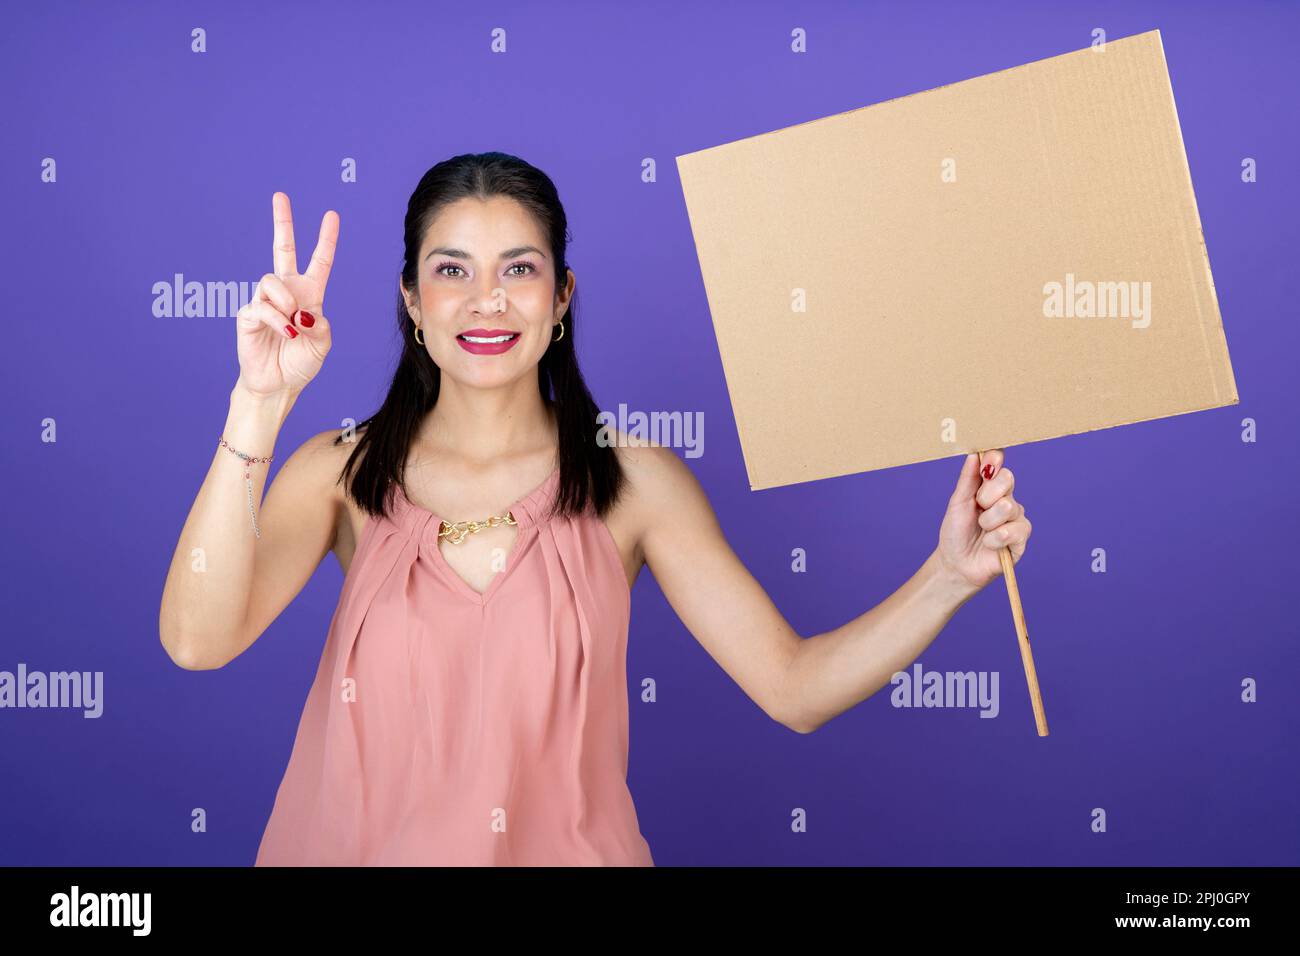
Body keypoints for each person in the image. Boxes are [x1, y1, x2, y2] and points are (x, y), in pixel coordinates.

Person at [158, 152, 1031, 867]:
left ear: (562, 298)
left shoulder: (638, 484)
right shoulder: (338, 474)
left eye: (520, 270)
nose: (486, 300)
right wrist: (258, 402)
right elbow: (198, 641)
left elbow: (793, 689)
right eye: (451, 270)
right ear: (412, 302)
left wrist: (949, 577)